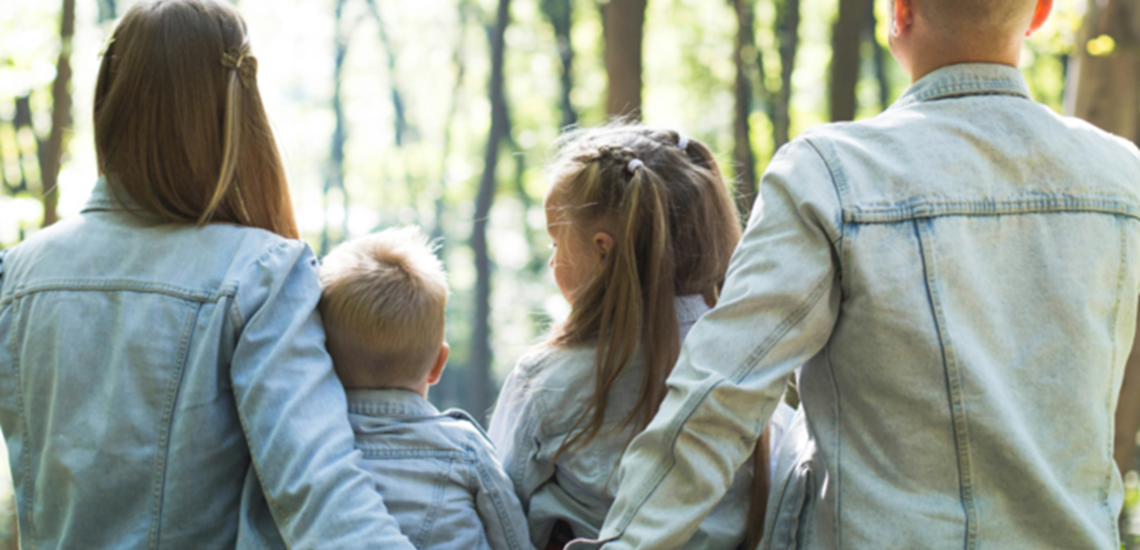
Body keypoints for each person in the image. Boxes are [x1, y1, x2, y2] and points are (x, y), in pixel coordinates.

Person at [566, 0, 1140, 549]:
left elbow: (721, 394)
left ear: (901, 11)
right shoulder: (1123, 179)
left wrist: (626, 543)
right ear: (1041, 13)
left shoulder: (832, 175)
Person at [0, 1, 415, 548]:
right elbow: (324, 498)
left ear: (110, 98)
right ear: (237, 112)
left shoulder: (18, 274)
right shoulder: (260, 275)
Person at [489, 125, 778, 550]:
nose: (552, 260)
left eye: (556, 242)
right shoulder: (751, 368)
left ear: (602, 249)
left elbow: (499, 508)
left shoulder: (547, 380)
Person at [317, 226, 533, 550]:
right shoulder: (465, 449)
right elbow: (514, 543)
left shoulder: (310, 448)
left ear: (322, 357)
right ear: (438, 363)